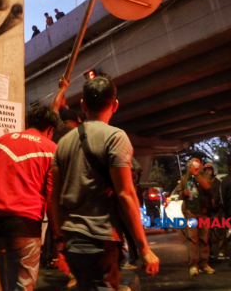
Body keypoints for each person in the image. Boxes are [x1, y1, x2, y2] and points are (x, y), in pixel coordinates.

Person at [51, 75, 159, 290]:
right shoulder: (115, 138)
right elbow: (126, 194)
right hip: (101, 240)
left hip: (72, 241)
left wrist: (59, 239)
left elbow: (54, 197)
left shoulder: (63, 143)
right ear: (115, 105)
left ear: (83, 105)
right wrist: (144, 248)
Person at [0, 106, 60, 291]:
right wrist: (58, 236)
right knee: (22, 285)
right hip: (22, 227)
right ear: (50, 130)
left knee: (4, 251)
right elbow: (52, 197)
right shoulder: (51, 149)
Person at [177, 156, 215, 276]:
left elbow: (207, 186)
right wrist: (183, 193)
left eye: (197, 162)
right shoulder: (185, 178)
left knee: (204, 238)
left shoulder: (205, 176)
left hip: (203, 212)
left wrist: (196, 175)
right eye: (193, 162)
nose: (195, 164)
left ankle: (204, 263)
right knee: (192, 238)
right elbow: (179, 192)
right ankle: (193, 264)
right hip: (190, 212)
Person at [204, 163, 228, 261]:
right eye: (206, 170)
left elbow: (219, 194)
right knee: (207, 233)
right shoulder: (202, 183)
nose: (208, 171)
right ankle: (209, 252)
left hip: (217, 209)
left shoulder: (218, 182)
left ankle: (222, 251)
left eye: (209, 169)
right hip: (207, 210)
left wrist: (214, 200)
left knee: (220, 231)